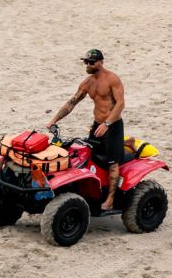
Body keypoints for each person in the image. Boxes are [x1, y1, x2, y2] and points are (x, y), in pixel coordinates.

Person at [47, 49, 126, 211]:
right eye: (86, 62)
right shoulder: (88, 83)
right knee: (88, 156)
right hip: (97, 126)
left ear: (101, 62)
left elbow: (120, 104)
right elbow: (72, 102)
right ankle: (93, 190)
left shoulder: (112, 79)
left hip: (113, 126)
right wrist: (54, 120)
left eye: (91, 62)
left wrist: (108, 124)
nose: (88, 65)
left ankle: (110, 199)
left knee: (112, 163)